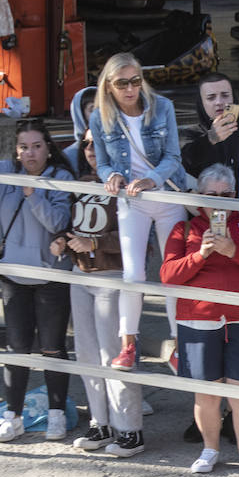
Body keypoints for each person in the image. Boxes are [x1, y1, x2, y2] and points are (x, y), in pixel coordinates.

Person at [161, 164, 239, 477]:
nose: (219, 201)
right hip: (198, 318)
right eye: (211, 195)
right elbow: (168, 276)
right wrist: (200, 254)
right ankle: (209, 450)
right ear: (199, 196)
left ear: (235, 195)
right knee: (207, 393)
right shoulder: (184, 229)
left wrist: (234, 251)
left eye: (226, 195)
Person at [0, 118, 75, 443]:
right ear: (16, 150)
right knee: (16, 349)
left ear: (48, 148)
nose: (30, 154)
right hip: (14, 275)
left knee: (53, 348)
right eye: (24, 147)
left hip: (51, 275)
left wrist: (34, 195)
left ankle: (57, 415)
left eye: (37, 146)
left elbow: (59, 221)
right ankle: (12, 416)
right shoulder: (6, 171)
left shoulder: (62, 178)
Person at [87, 52, 187, 372]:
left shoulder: (163, 108)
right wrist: (110, 177)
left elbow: (173, 157)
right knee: (133, 275)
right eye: (122, 83)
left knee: (173, 274)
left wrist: (151, 179)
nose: (130, 89)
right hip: (132, 200)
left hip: (167, 195)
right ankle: (128, 345)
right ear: (109, 86)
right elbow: (102, 163)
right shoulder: (101, 117)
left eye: (135, 81)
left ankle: (178, 344)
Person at [53, 126, 145, 457]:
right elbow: (76, 223)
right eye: (87, 142)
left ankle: (130, 430)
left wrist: (95, 244)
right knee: (88, 354)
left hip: (113, 276)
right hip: (81, 274)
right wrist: (64, 240)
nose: (91, 148)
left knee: (115, 355)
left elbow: (139, 239)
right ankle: (100, 421)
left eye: (99, 142)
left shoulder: (127, 185)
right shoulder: (79, 181)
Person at [181, 72, 239, 184]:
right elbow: (185, 162)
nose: (219, 102)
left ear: (233, 98)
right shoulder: (189, 136)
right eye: (211, 98)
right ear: (202, 103)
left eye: (225, 95)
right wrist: (209, 139)